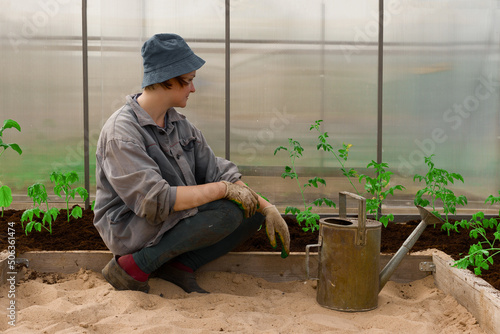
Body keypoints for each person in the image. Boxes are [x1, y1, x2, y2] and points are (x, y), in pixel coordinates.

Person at [94, 33, 290, 294]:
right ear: (166, 81)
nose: (193, 89)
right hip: (131, 225)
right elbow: (155, 201)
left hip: (170, 215)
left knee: (250, 209)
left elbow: (219, 172)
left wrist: (267, 208)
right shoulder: (123, 133)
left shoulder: (179, 125)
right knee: (227, 211)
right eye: (188, 82)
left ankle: (180, 267)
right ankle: (132, 266)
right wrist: (222, 190)